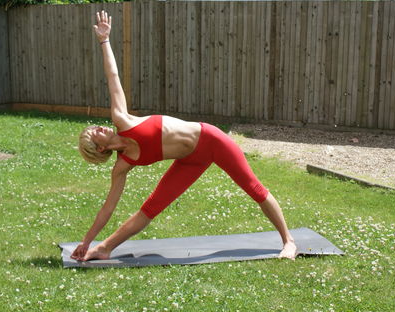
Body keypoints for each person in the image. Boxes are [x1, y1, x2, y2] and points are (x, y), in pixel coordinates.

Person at [71, 11, 297, 261]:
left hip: (211, 140)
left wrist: (104, 41)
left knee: (254, 188)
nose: (98, 128)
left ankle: (288, 241)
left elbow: (112, 77)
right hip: (190, 161)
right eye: (94, 134)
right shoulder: (122, 166)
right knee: (150, 209)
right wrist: (87, 240)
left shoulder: (122, 119)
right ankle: (104, 248)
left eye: (94, 127)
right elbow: (108, 207)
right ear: (100, 149)